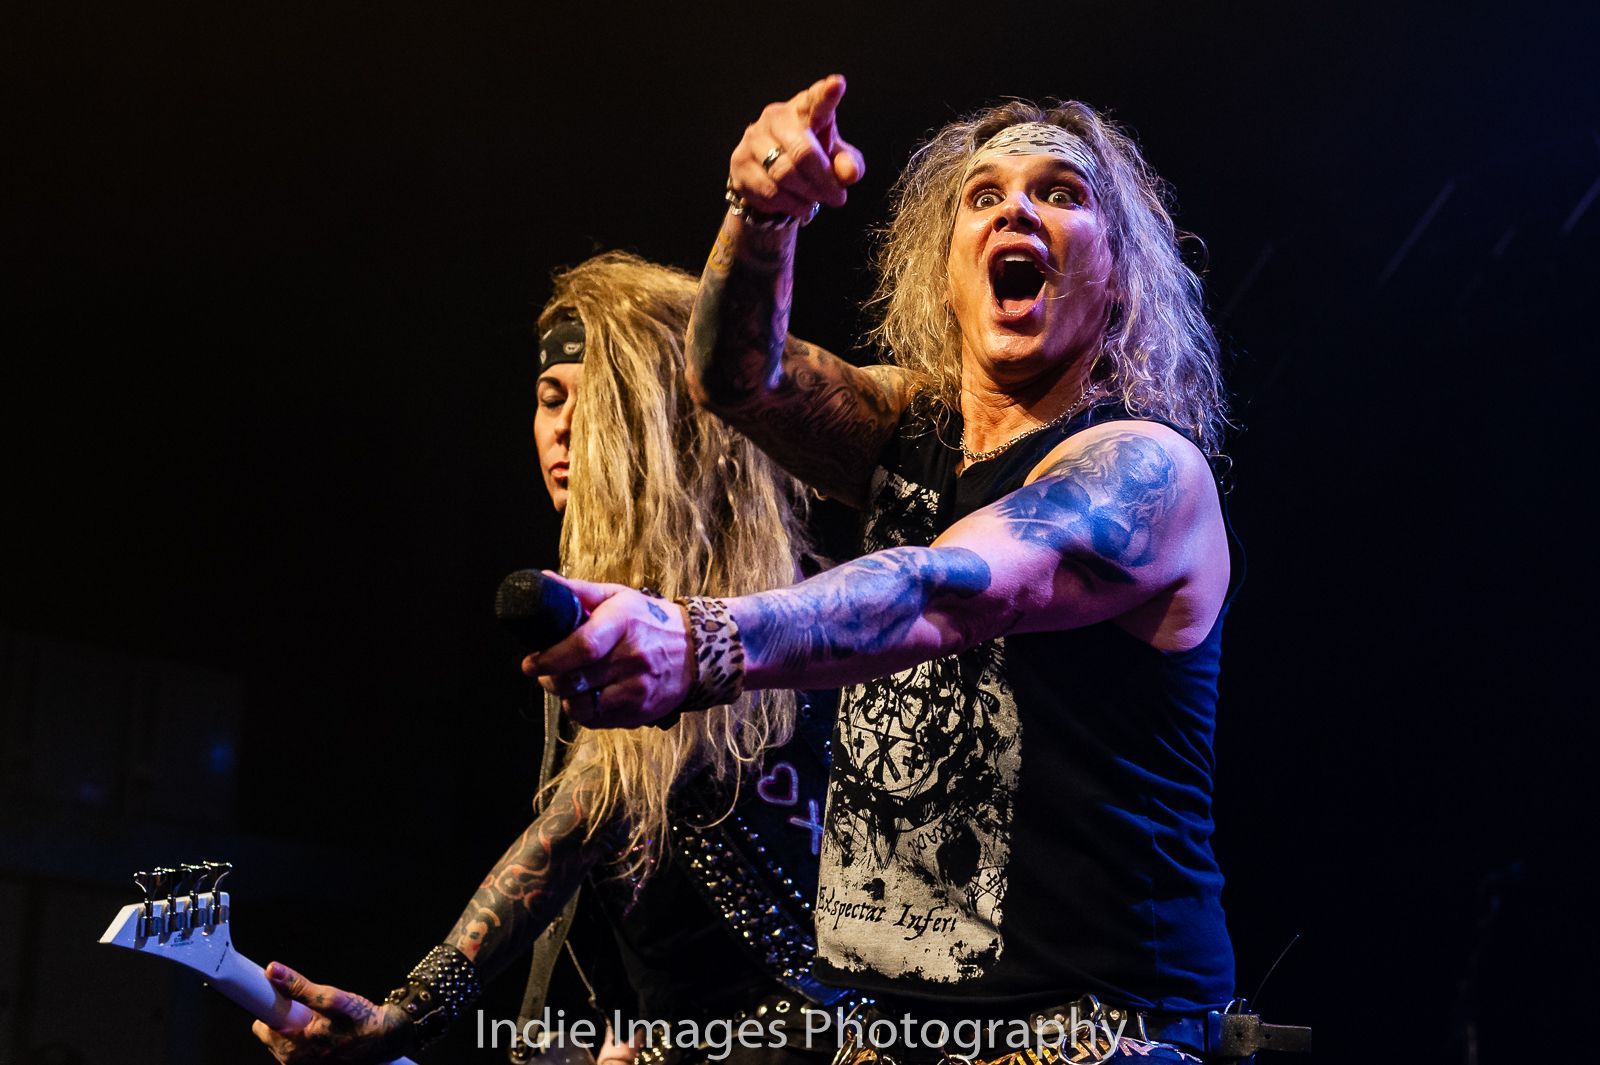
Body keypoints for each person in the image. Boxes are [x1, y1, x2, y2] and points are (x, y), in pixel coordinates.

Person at [530, 77, 1240, 1064]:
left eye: (1061, 192)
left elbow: (951, 590)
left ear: (1117, 277)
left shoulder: (1145, 471)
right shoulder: (904, 426)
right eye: (984, 196)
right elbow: (735, 379)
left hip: (1097, 1031)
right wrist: (761, 216)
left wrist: (705, 638)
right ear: (943, 271)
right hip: (890, 1031)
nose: (1017, 210)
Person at [252, 252, 847, 1064]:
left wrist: (411, 1011)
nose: (561, 427)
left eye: (592, 398)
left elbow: (574, 825)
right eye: (548, 397)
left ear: (660, 419)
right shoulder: (589, 620)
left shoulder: (775, 611)